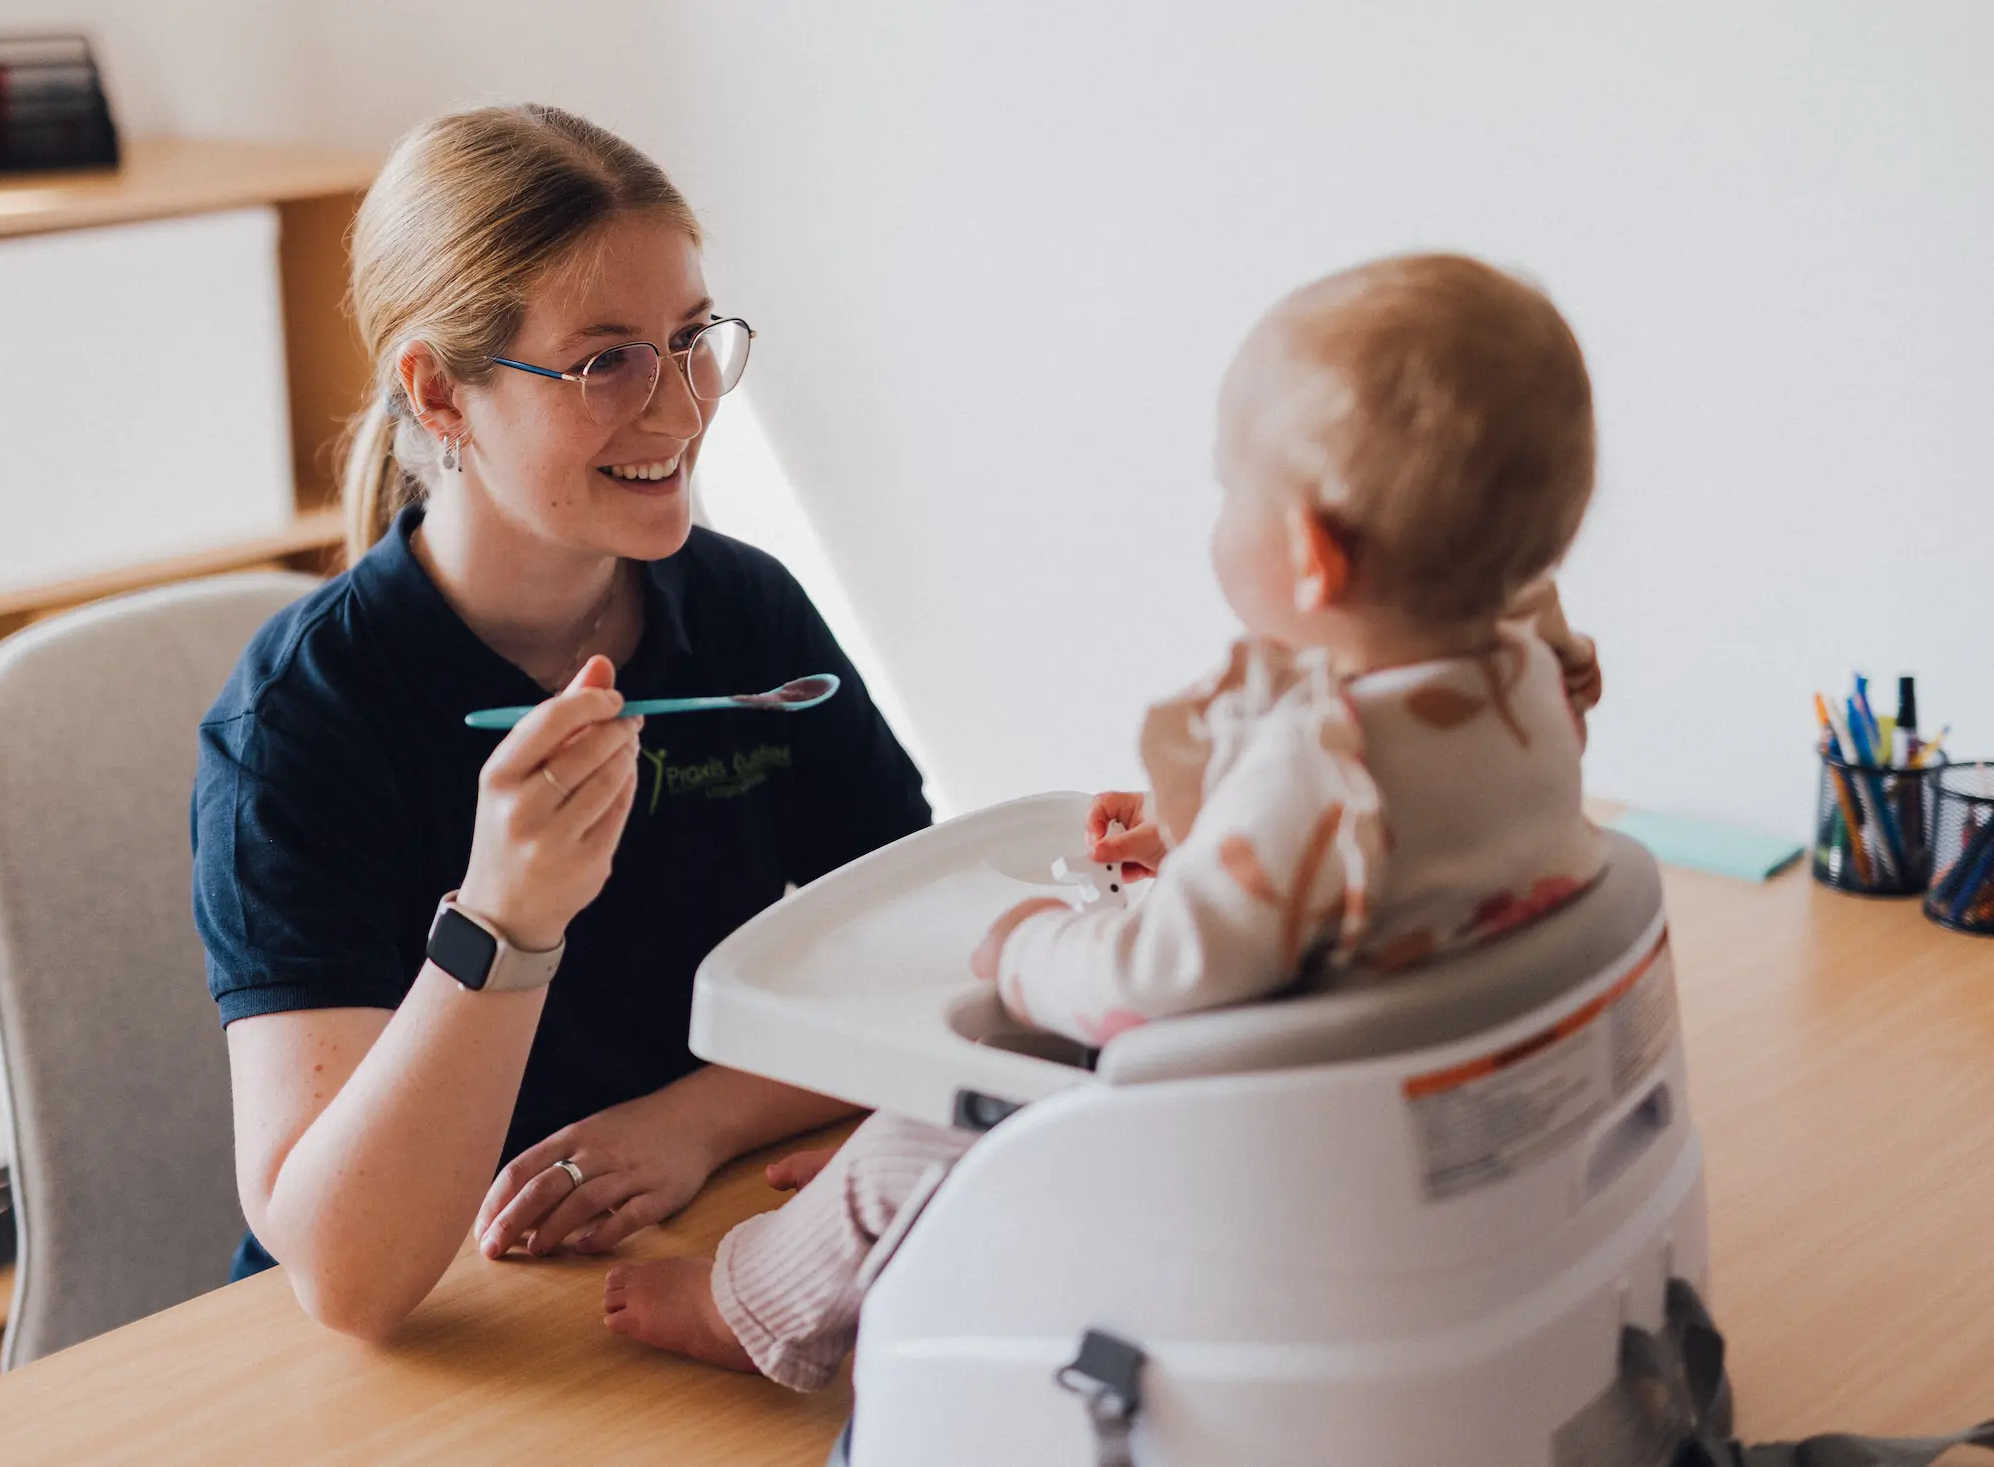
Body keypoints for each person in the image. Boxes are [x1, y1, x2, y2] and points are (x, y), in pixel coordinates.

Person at [600, 252, 1609, 1390]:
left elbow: (1156, 975)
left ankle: (758, 1307)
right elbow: (1399, 858)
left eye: (1230, 492)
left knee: (964, 1092)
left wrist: (1030, 947)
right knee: (1004, 1058)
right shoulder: (1522, 685)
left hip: (1272, 1148)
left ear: (1310, 559)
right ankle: (872, 1202)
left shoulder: (1313, 770)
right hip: (1405, 1101)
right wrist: (1210, 848)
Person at [191, 104, 930, 1341]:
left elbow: (926, 975)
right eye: (607, 363)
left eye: (691, 340)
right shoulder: (299, 725)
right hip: (441, 1328)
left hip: (686, 1246)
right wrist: (505, 923)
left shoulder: (745, 611)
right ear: (441, 392)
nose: (682, 410)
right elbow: (347, 1278)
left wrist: (695, 1122)